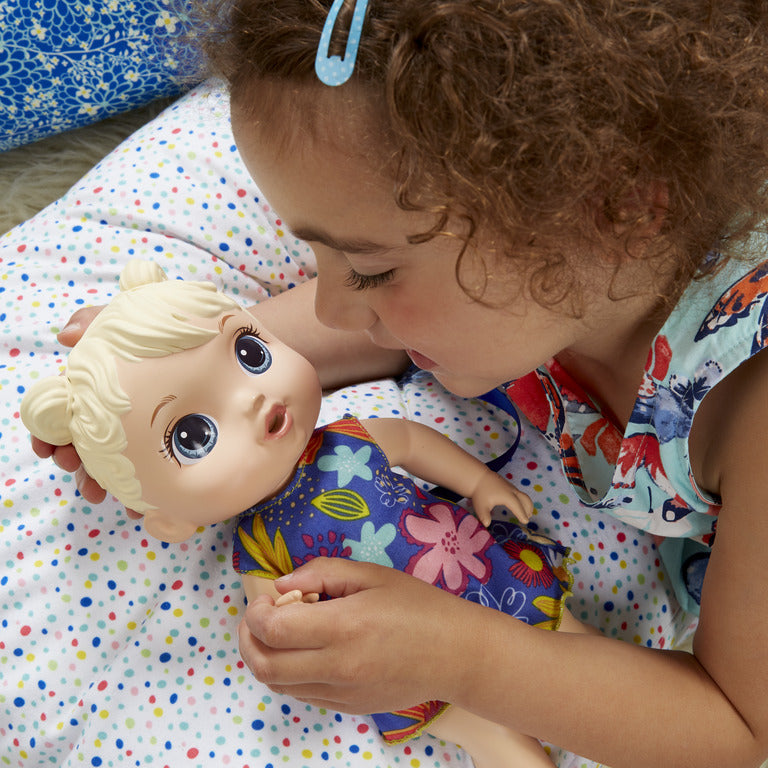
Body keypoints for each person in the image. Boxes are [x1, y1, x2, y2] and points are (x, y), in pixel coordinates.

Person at [36, 1, 768, 766]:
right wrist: (162, 378)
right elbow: (339, 330)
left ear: (614, 213)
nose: (329, 306)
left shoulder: (749, 408)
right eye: (320, 257)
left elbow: (735, 728)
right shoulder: (553, 273)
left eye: (369, 270)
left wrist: (459, 658)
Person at [23, 258, 585, 767]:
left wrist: (480, 482)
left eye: (250, 353)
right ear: (171, 521)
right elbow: (267, 612)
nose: (250, 397)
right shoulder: (259, 544)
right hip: (408, 659)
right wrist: (288, 616)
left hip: (474, 570)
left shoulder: (347, 440)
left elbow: (413, 442)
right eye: (193, 435)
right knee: (492, 737)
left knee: (571, 645)